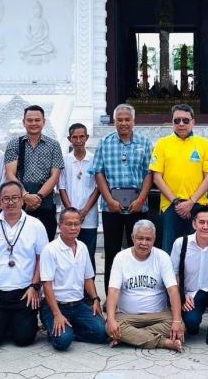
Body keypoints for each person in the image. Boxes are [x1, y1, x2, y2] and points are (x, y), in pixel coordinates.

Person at [0, 180, 49, 347]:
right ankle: (4, 323)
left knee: (24, 339)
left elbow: (41, 259)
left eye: (15, 197)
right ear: (0, 201)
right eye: (6, 198)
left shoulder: (36, 225)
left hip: (24, 292)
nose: (11, 202)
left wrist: (35, 287)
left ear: (22, 200)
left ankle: (12, 323)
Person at [91, 104, 154, 292]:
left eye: (127, 120)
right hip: (112, 207)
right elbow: (98, 172)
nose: (123, 123)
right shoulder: (105, 143)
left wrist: (141, 199)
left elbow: (149, 173)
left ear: (133, 121)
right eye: (120, 120)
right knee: (112, 251)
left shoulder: (144, 143)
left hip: (137, 206)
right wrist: (109, 199)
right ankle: (112, 295)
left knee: (138, 250)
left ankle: (135, 292)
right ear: (114, 121)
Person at [106, 220, 185, 351]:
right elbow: (113, 291)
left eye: (148, 239)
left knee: (180, 324)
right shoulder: (121, 257)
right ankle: (163, 342)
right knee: (110, 326)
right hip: (127, 316)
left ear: (154, 239)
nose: (144, 243)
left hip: (158, 315)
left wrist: (177, 321)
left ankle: (130, 337)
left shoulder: (162, 257)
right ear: (132, 238)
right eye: (140, 238)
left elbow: (173, 291)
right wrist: (110, 319)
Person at [39, 207, 108, 351]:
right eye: (68, 224)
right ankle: (57, 328)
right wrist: (57, 314)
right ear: (60, 226)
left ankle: (70, 329)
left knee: (103, 333)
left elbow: (88, 278)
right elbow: (46, 285)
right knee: (63, 342)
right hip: (55, 306)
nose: (73, 228)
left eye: (77, 224)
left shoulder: (82, 247)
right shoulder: (50, 249)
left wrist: (95, 299)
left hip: (78, 304)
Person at [150, 104, 208, 253]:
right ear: (172, 122)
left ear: (193, 122)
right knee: (170, 250)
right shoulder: (162, 144)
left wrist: (191, 202)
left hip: (198, 205)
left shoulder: (204, 144)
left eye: (186, 121)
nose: (181, 124)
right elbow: (157, 177)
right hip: (171, 206)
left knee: (197, 251)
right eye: (177, 120)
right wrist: (177, 202)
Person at [169, 204, 208, 345]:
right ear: (194, 224)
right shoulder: (181, 243)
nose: (205, 227)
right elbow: (173, 274)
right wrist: (182, 296)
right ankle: (193, 320)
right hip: (191, 294)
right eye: (201, 222)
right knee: (192, 325)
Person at [4, 105, 64, 242]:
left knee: (46, 241)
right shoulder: (14, 144)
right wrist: (25, 195)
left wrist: (38, 197)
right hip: (20, 199)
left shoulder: (53, 145)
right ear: (23, 122)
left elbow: (55, 175)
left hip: (46, 199)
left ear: (44, 122)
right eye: (29, 120)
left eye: (37, 120)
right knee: (20, 241)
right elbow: (10, 174)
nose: (33, 123)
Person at [59, 123, 100, 269]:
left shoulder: (95, 159)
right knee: (68, 254)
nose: (78, 140)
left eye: (81, 136)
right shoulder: (64, 160)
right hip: (69, 216)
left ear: (87, 137)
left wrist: (84, 211)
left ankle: (89, 291)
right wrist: (71, 211)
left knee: (88, 254)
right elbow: (62, 187)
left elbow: (98, 188)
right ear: (69, 139)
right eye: (74, 137)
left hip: (89, 216)